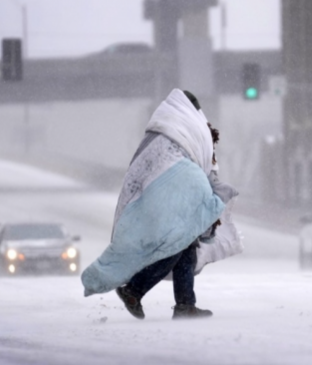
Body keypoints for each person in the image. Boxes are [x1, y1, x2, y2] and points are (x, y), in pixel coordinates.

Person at [81, 89, 236, 320]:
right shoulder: (190, 128)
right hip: (173, 195)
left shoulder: (160, 131)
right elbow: (201, 161)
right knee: (176, 244)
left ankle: (185, 304)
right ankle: (135, 290)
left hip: (158, 195)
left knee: (184, 246)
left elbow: (142, 166)